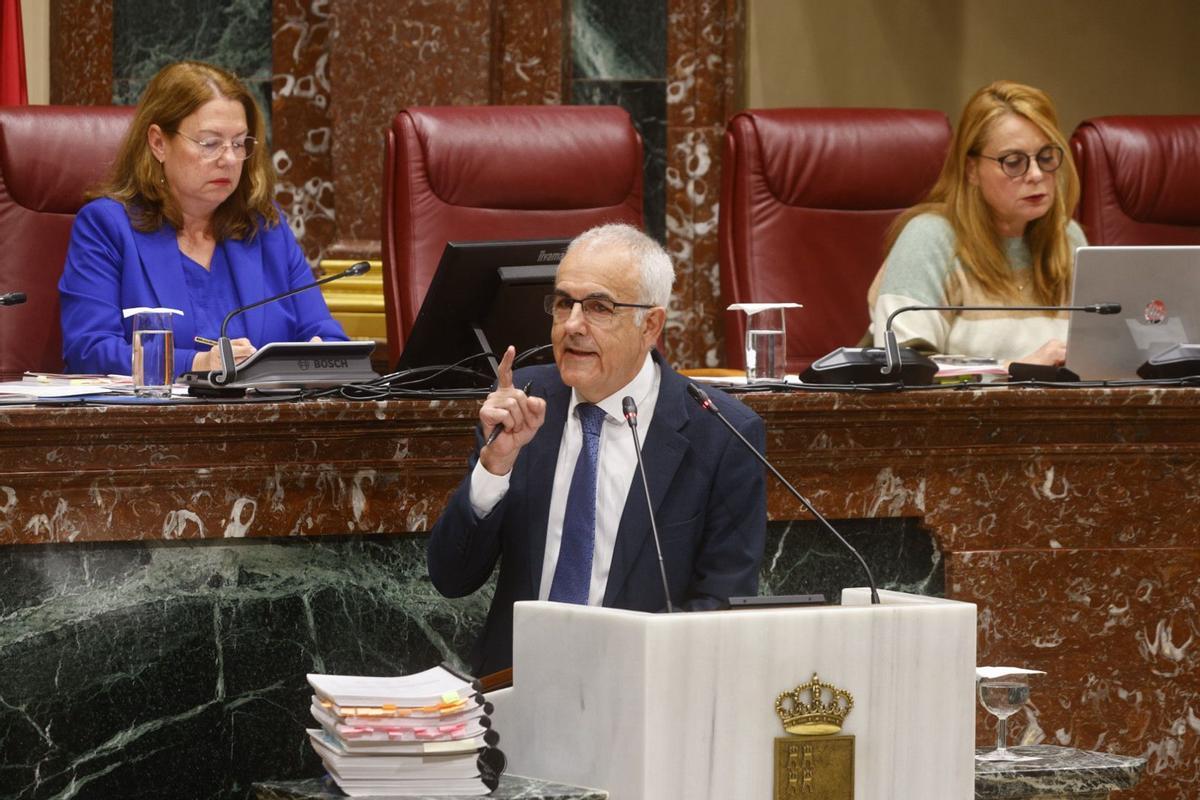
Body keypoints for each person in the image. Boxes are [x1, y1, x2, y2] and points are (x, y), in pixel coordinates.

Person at [427, 223, 767, 676]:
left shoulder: (721, 432)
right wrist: (495, 467)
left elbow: (723, 608)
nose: (572, 326)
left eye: (599, 307)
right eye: (564, 303)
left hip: (641, 699)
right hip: (513, 692)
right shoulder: (524, 401)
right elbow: (452, 577)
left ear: (651, 324)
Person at [59, 60, 346, 376]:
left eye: (239, 143)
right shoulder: (107, 227)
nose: (229, 159)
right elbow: (88, 350)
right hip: (155, 422)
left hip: (267, 418)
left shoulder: (264, 226)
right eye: (210, 143)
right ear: (158, 143)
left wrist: (319, 361)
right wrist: (196, 364)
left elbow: (326, 335)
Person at [867, 80, 1087, 365]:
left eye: (1046, 157)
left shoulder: (1069, 238)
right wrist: (1014, 371)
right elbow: (906, 367)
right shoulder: (930, 239)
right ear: (971, 170)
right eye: (1013, 162)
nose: (1035, 174)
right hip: (956, 411)